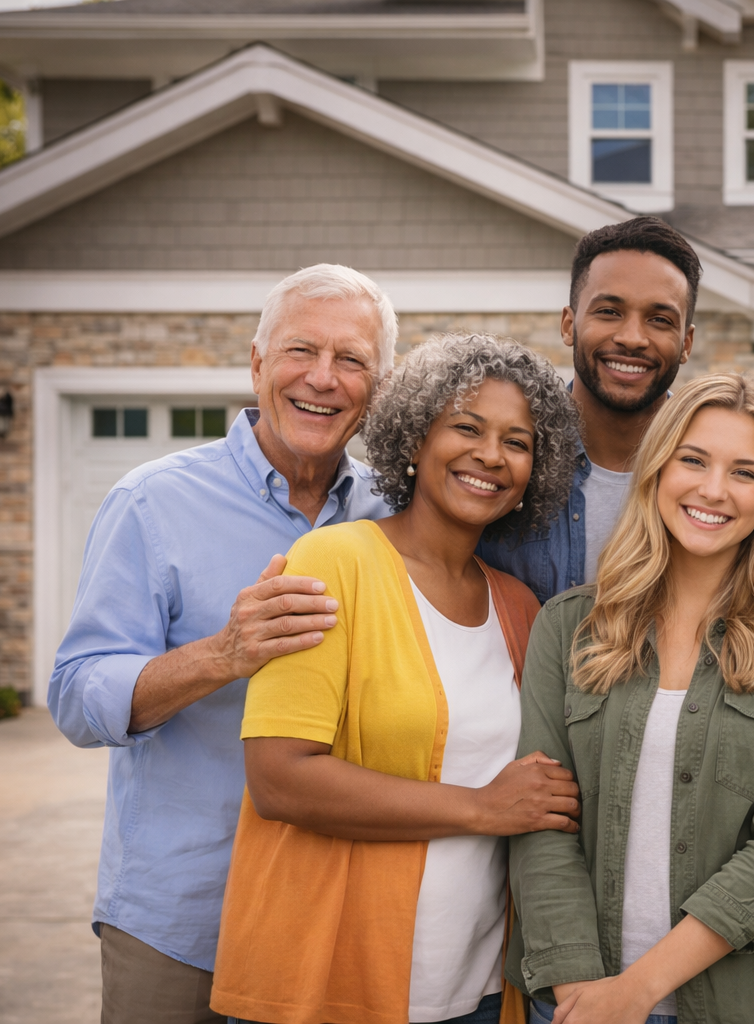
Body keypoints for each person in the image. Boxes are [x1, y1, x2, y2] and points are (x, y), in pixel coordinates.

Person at [48, 264, 397, 1024]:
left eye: (353, 360)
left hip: (338, 918)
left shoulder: (395, 513)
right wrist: (223, 654)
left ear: (381, 384)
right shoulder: (153, 501)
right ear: (257, 363)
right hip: (183, 920)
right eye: (301, 350)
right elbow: (77, 696)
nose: (323, 379)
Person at [210, 335, 582, 1024]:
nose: (491, 456)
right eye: (466, 427)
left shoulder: (521, 609)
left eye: (517, 442)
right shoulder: (332, 561)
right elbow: (278, 778)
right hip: (328, 985)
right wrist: (482, 807)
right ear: (414, 438)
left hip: (473, 991)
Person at [508, 373, 754, 1024]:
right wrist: (581, 992)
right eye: (693, 460)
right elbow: (540, 823)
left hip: (745, 1007)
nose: (713, 490)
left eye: (745, 472)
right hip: (575, 1003)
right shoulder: (566, 628)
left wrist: (635, 993)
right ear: (658, 469)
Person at [479, 215, 702, 603]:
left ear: (686, 342)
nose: (632, 338)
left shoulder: (715, 478)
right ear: (569, 325)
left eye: (659, 319)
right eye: (609, 312)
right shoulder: (504, 461)